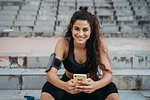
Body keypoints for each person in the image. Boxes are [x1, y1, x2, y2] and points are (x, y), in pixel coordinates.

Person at [40, 6, 120, 100]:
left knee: (113, 94)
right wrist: (65, 85)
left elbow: (108, 74)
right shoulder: (63, 43)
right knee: (46, 92)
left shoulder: (99, 43)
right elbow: (50, 74)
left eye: (85, 29)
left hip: (91, 84)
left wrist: (95, 85)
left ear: (91, 30)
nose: (80, 34)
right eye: (77, 29)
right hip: (69, 85)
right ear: (71, 28)